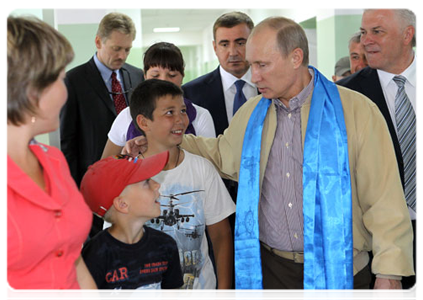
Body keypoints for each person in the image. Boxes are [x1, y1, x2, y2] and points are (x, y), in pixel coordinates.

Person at [126, 16, 415, 300]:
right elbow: (221, 154)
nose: (254, 76)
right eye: (252, 65)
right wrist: (161, 141)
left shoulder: (355, 111)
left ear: (295, 57)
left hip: (342, 273)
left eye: (262, 65)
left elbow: (384, 200)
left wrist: (390, 274)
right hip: (270, 274)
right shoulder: (253, 114)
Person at [5, 16, 100, 300]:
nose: (65, 90)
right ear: (32, 89)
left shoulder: (54, 161)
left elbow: (73, 260)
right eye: (60, 78)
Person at [337, 8, 420, 300]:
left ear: (407, 35)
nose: (365, 41)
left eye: (377, 32)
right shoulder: (344, 97)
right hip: (376, 246)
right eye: (363, 32)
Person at [129, 79, 235, 300]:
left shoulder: (202, 169)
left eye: (183, 110)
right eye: (169, 112)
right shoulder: (127, 176)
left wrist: (223, 293)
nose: (180, 119)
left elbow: (221, 236)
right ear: (144, 122)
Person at [60, 12, 144, 237]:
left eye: (127, 49)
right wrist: (75, 191)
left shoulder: (137, 77)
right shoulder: (73, 81)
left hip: (133, 180)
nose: (122, 55)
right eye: (116, 48)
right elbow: (68, 142)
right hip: (93, 185)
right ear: (98, 41)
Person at [80, 152, 184, 300]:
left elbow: (169, 294)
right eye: (146, 182)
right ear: (122, 204)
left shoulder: (165, 246)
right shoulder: (96, 255)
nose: (157, 184)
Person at [101, 42, 216, 159]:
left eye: (171, 75)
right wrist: (127, 156)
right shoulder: (127, 116)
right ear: (145, 76)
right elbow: (105, 166)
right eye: (155, 75)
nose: (163, 82)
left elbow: (211, 164)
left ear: (182, 75)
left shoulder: (201, 116)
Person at [182, 11, 258, 136]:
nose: (233, 52)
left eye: (240, 43)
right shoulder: (191, 93)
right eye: (224, 44)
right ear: (215, 47)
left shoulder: (275, 86)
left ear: (253, 43)